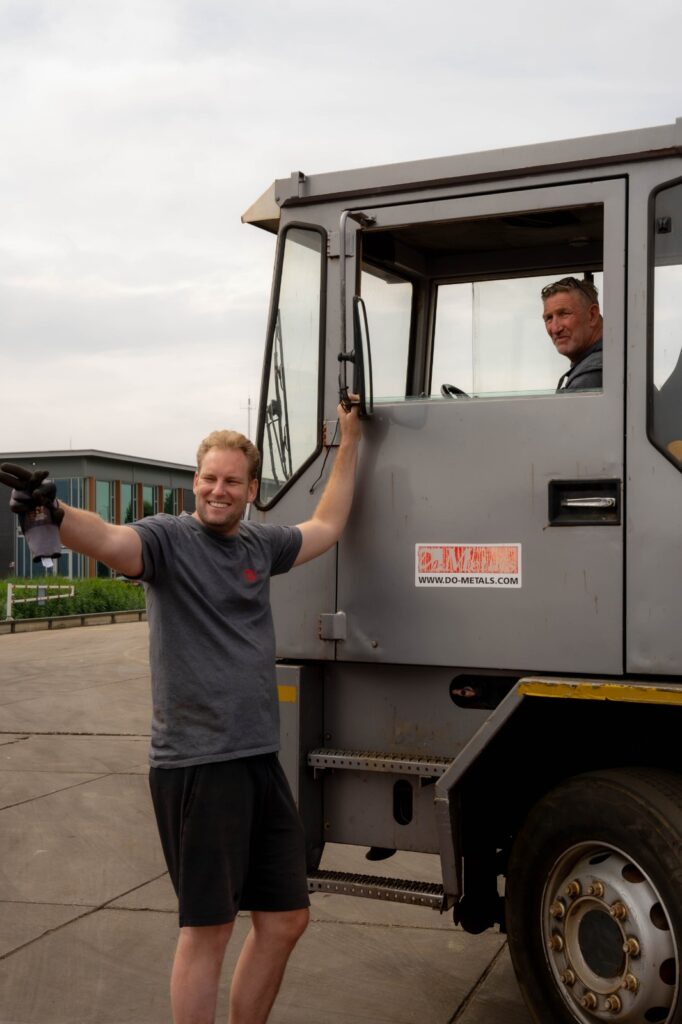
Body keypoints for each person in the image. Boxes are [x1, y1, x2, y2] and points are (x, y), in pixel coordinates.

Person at [0, 400, 362, 1024]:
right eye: (208, 478)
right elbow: (112, 540)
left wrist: (350, 440)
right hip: (197, 763)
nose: (217, 490)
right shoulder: (169, 539)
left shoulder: (260, 543)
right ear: (195, 481)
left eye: (230, 481)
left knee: (285, 919)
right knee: (209, 929)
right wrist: (55, 514)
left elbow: (328, 524)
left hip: (256, 758)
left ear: (253, 489)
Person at [541, 276, 603, 391]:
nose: (555, 329)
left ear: (592, 315)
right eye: (549, 318)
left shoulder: (590, 376)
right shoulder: (612, 358)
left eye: (564, 314)